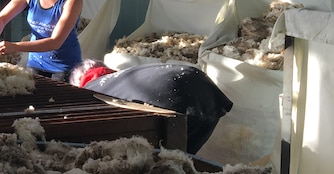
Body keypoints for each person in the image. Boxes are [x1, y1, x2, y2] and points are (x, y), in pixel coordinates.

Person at [69, 60, 233, 154]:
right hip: (207, 89)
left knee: (172, 163)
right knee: (182, 159)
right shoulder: (126, 75)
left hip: (173, 97)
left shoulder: (92, 90)